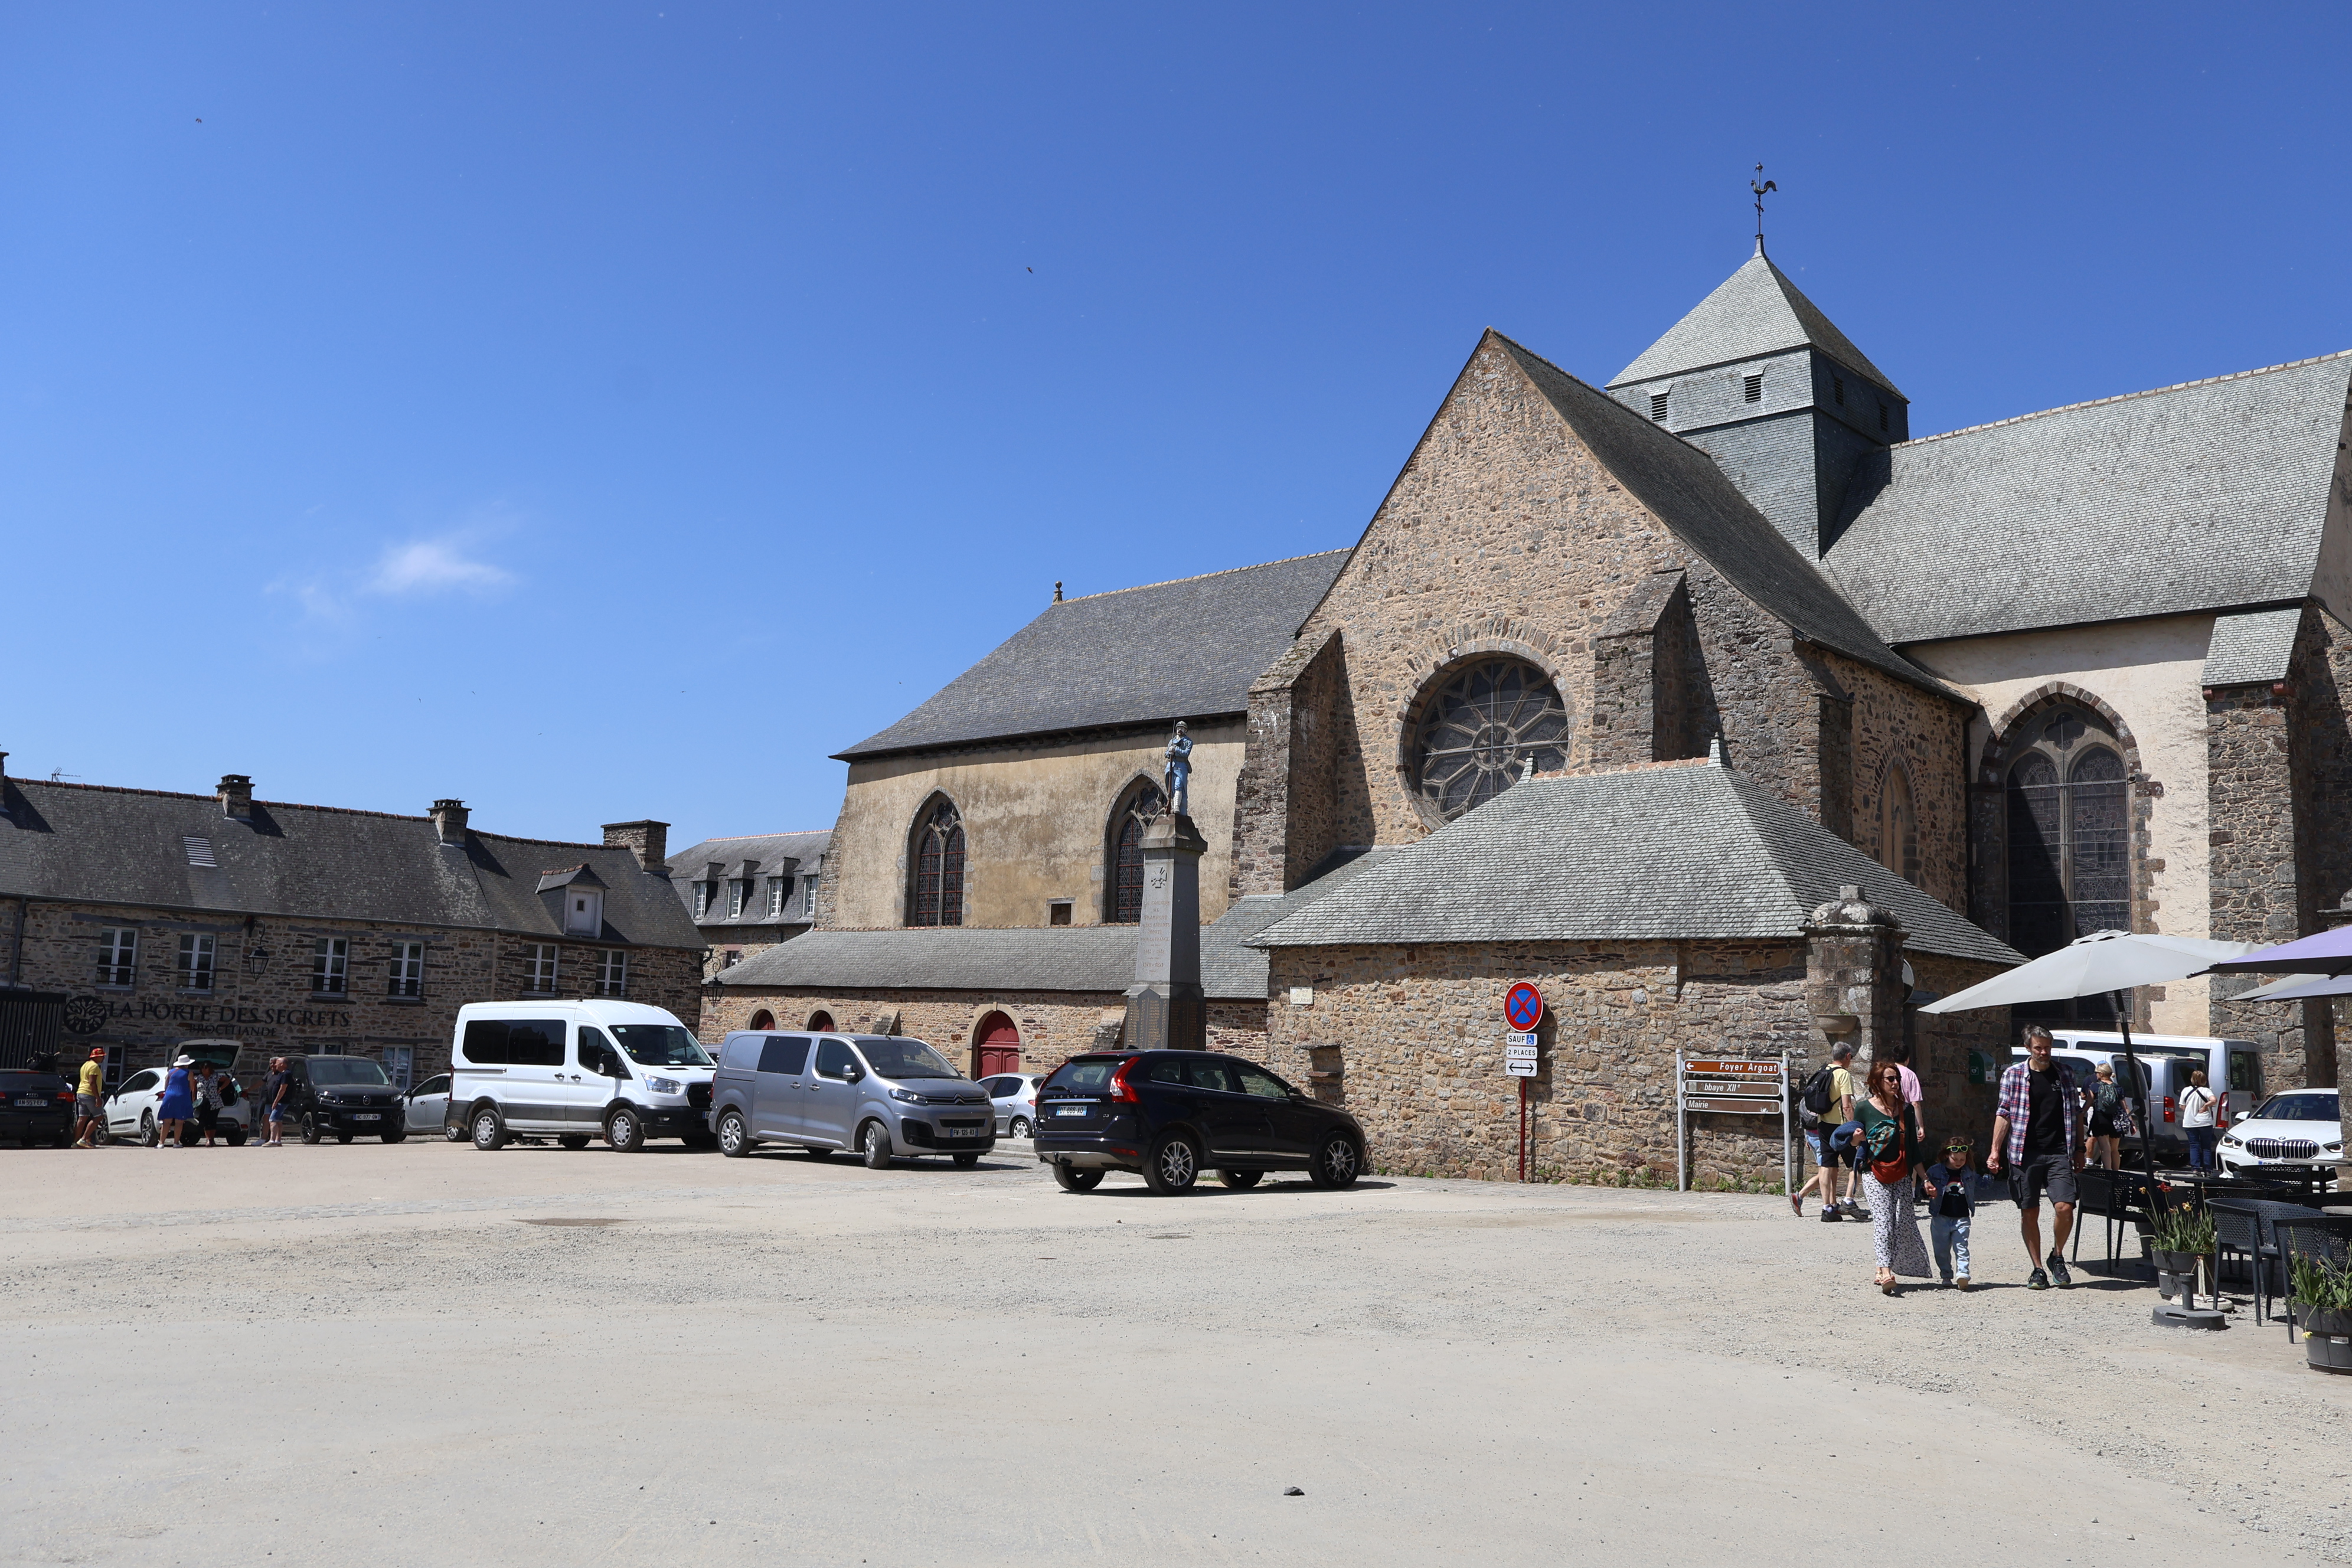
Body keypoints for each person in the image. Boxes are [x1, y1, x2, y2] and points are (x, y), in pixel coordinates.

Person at [1987, 1025, 2086, 1289]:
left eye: (2048, 1048)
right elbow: (2004, 1113)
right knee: (2029, 1212)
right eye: (2039, 1048)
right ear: (2028, 1048)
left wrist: (2080, 1148)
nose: (2044, 1052)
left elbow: (2076, 1113)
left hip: (2058, 1152)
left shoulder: (2065, 1073)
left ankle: (2057, 1256)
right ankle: (2038, 1269)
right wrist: (1995, 1150)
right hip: (2024, 1152)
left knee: (2065, 1207)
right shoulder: (2014, 1074)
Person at [1855, 1059, 1930, 1295]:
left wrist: (1925, 1179)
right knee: (1884, 1222)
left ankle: (1881, 1268)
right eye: (1890, 1079)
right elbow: (1852, 1141)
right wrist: (1856, 1138)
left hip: (1901, 1173)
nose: (1896, 1083)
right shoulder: (1864, 1108)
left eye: (1897, 1078)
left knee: (1903, 1221)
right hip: (1874, 1172)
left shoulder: (1905, 1109)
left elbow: (1913, 1149)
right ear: (1877, 1083)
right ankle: (1887, 1272)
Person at [1923, 1136, 1994, 1289]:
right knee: (1941, 1251)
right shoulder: (1935, 1171)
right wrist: (1927, 1192)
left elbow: (1983, 1184)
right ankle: (1946, 1275)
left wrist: (1991, 1172)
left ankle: (1963, 1274)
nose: (1959, 1162)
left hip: (1962, 1218)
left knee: (1962, 1247)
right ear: (1947, 1155)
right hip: (1940, 1218)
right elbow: (1923, 1189)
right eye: (1956, 1159)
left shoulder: (1968, 1172)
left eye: (1963, 1159)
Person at [1798, 1044, 1858, 1221]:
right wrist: (1854, 1126)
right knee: (1857, 1164)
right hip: (1839, 1126)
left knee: (1827, 1165)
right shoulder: (1843, 1075)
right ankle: (1849, 1200)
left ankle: (1827, 1209)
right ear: (1848, 1056)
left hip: (1822, 1124)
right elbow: (1846, 1106)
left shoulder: (1823, 1070)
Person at [2180, 1069, 2221, 1171]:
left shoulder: (2186, 1090)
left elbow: (2182, 1106)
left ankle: (2196, 1168)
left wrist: (2190, 1110)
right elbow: (2214, 1100)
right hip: (2205, 1122)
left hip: (2190, 1122)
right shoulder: (2206, 1091)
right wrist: (2206, 1105)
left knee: (2194, 1146)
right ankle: (2208, 1169)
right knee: (2206, 1147)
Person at [2088, 1061, 2125, 1170]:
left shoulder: (2095, 1087)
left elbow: (2089, 1103)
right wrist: (2131, 1122)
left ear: (2101, 1073)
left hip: (2100, 1119)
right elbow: (2124, 1107)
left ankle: (2108, 1173)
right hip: (2116, 1120)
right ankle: (2116, 1172)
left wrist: (2081, 1113)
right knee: (2115, 1149)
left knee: (2105, 1148)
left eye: (2097, 1073)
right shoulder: (2118, 1088)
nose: (2096, 1075)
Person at [155, 1055, 195, 1149]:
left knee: (167, 1121)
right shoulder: (189, 1073)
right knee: (179, 1121)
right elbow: (192, 1087)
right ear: (187, 1064)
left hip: (169, 1096)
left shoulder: (171, 1072)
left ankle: (161, 1143)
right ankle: (176, 1143)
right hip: (182, 1096)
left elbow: (166, 1086)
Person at [72, 1047, 107, 1148]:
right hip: (89, 1093)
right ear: (97, 1057)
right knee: (99, 1116)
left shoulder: (85, 1065)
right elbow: (92, 1082)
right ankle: (84, 1139)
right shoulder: (94, 1066)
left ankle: (75, 1142)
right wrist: (98, 1097)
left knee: (82, 1118)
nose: (103, 1059)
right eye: (102, 1056)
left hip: (80, 1092)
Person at [191, 1061, 223, 1148]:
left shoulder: (216, 1077)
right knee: (205, 1120)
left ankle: (212, 1139)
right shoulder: (198, 1078)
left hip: (215, 1102)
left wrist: (220, 1089)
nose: (204, 1070)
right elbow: (194, 1090)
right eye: (203, 1068)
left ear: (210, 1069)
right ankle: (208, 1139)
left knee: (213, 1120)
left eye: (206, 1068)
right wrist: (194, 1100)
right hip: (202, 1102)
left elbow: (227, 1080)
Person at [263, 1057, 293, 1147]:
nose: (275, 1065)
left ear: (283, 1064)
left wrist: (276, 1101)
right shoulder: (282, 1074)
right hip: (280, 1101)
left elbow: (283, 1089)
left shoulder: (286, 1074)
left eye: (277, 1063)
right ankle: (278, 1141)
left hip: (281, 1101)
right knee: (279, 1121)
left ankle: (272, 1140)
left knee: (273, 1120)